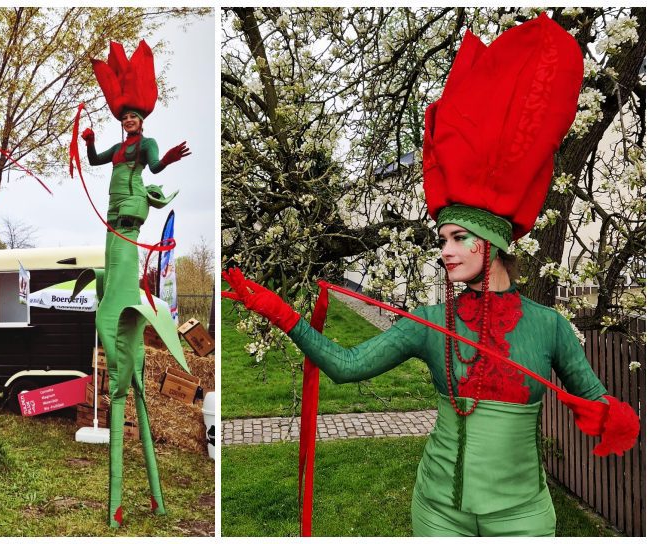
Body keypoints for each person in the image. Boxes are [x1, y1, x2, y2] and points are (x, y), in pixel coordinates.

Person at [223, 14, 638, 537]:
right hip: (439, 512)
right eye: (442, 239)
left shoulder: (549, 327)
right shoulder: (428, 323)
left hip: (524, 517)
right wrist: (283, 314)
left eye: (458, 237)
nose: (445, 250)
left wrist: (609, 412)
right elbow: (348, 366)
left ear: (495, 242)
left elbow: (593, 393)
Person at [80, 39, 190, 528]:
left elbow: (157, 165)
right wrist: (85, 144)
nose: (129, 123)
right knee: (109, 264)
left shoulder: (143, 147)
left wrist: (164, 160)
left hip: (127, 220)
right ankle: (135, 498)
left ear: (142, 119)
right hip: (110, 219)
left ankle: (133, 497)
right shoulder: (120, 146)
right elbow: (99, 161)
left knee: (121, 289)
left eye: (134, 117)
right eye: (123, 117)